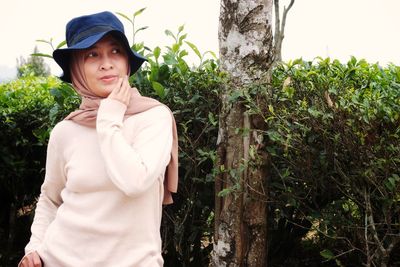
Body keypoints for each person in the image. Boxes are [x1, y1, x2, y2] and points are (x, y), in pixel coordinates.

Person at [19, 11, 178, 267]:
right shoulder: (66, 130)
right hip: (58, 259)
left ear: (127, 61)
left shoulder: (154, 118)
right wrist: (35, 246)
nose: (107, 63)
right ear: (76, 68)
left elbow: (134, 182)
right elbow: (51, 198)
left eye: (115, 51)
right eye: (92, 54)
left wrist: (110, 117)